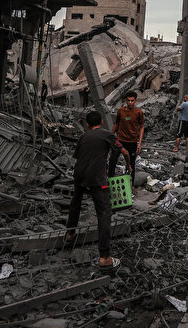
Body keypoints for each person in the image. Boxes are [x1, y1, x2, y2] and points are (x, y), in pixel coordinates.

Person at [66, 110, 130, 271]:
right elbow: (124, 151)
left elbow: (79, 156)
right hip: (96, 177)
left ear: (87, 125)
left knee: (76, 203)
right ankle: (105, 257)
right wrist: (129, 164)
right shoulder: (106, 134)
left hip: (79, 173)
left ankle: (69, 234)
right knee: (104, 213)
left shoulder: (83, 136)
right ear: (101, 122)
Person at [108, 91, 144, 185]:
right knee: (112, 160)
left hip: (132, 142)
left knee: (131, 164)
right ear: (126, 101)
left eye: (132, 100)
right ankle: (110, 182)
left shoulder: (138, 112)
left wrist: (139, 143)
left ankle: (131, 185)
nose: (130, 102)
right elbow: (117, 123)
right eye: (128, 100)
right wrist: (111, 136)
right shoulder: (121, 111)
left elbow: (142, 127)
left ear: (135, 101)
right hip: (120, 140)